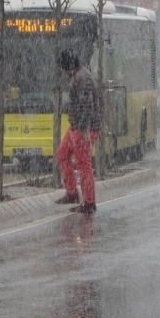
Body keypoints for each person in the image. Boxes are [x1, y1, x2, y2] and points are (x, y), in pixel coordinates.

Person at [54, 50, 101, 213]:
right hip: (77, 126)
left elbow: (87, 106)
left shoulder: (82, 79)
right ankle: (72, 192)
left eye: (61, 67)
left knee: (83, 164)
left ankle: (89, 202)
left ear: (67, 66)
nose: (61, 71)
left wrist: (83, 129)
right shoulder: (81, 76)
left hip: (83, 128)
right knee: (62, 155)